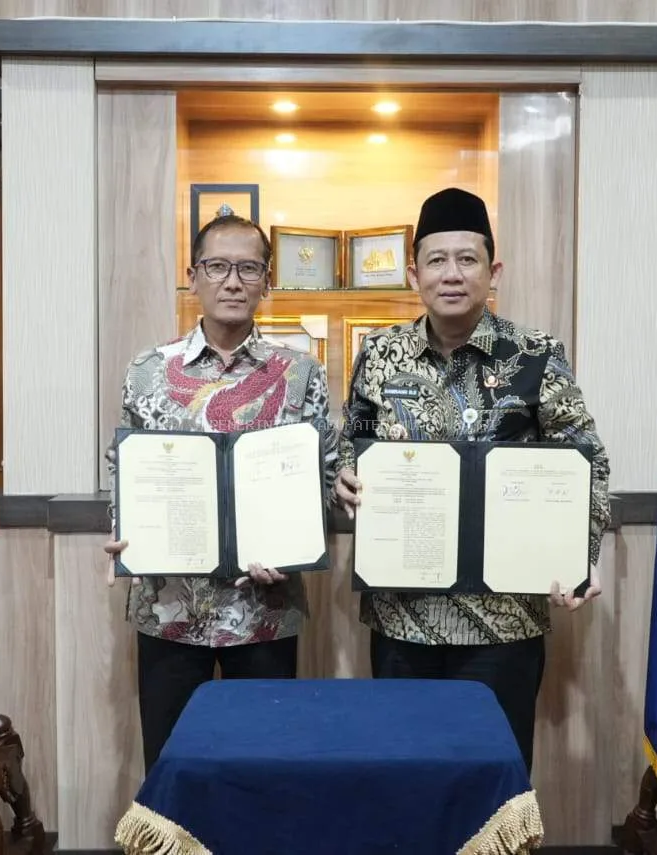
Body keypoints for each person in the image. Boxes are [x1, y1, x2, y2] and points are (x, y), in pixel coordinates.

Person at [333, 187, 610, 773]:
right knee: (404, 775)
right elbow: (350, 444)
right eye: (436, 260)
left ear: (493, 271)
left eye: (467, 259)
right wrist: (342, 477)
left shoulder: (535, 354)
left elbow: (585, 460)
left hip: (504, 621)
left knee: (495, 781)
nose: (452, 274)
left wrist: (580, 557)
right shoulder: (379, 355)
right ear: (415, 275)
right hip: (402, 618)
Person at [103, 212, 338, 772]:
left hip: (264, 611)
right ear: (193, 277)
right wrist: (124, 532)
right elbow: (124, 469)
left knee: (264, 769)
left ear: (266, 282)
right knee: (172, 768)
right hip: (167, 608)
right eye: (217, 267)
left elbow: (324, 476)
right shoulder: (148, 370)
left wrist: (294, 543)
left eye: (248, 268)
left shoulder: (300, 372)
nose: (233, 281)